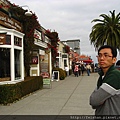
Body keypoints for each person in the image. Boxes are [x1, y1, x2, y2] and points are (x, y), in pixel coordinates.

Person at [89, 45, 120, 115]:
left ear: (114, 59)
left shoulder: (115, 76)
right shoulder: (102, 76)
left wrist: (99, 100)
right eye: (99, 55)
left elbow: (94, 100)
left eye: (106, 55)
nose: (102, 58)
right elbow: (94, 104)